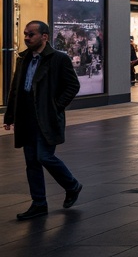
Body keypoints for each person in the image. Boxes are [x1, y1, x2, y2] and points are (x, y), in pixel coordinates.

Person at [4, 20, 83, 220]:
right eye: (25, 34)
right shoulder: (23, 59)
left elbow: (72, 86)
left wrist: (56, 106)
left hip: (46, 117)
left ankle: (72, 185)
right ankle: (39, 203)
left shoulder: (58, 59)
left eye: (31, 34)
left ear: (44, 37)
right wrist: (10, 115)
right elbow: (16, 89)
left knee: (44, 156)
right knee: (31, 161)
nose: (27, 38)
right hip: (26, 117)